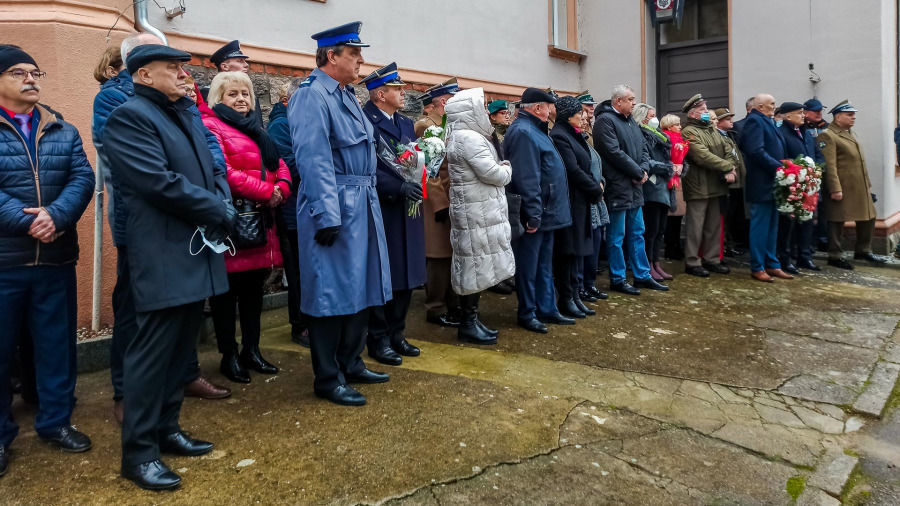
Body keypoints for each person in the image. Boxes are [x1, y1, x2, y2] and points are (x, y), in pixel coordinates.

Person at [103, 44, 234, 490]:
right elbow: (157, 182)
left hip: (194, 246)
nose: (184, 74)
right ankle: (138, 454)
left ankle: (167, 429)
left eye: (184, 67)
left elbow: (214, 167)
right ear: (143, 76)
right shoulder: (131, 116)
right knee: (151, 351)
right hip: (161, 249)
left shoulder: (185, 113)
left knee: (181, 347)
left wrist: (222, 201)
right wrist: (217, 209)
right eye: (173, 68)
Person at [0, 44, 95, 478]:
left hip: (55, 258)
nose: (31, 79)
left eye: (35, 72)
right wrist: (28, 224)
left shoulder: (62, 128)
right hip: (6, 261)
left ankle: (55, 422)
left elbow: (82, 176)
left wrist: (55, 216)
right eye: (19, 72)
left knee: (57, 347)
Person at [288, 22, 392, 407]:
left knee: (361, 287)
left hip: (361, 202)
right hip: (337, 206)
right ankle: (327, 377)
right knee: (330, 294)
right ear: (331, 56)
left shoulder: (345, 94)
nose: (361, 60)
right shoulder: (312, 97)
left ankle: (351, 362)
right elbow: (313, 160)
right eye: (354, 53)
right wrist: (326, 215)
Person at [203, 71, 291, 383]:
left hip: (261, 223)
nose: (241, 99)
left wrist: (281, 185)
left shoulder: (258, 129)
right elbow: (223, 171)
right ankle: (229, 354)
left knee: (254, 292)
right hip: (233, 223)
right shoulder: (211, 125)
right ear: (218, 98)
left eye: (245, 94)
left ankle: (252, 350)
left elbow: (278, 163)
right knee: (226, 295)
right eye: (233, 94)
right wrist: (268, 192)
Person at [359, 62, 425, 364]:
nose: (403, 93)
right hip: (384, 207)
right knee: (387, 274)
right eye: (397, 89)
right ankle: (379, 338)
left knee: (408, 273)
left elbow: (413, 160)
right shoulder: (365, 120)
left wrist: (421, 176)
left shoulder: (406, 123)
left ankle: (398, 333)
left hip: (409, 208)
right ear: (379, 95)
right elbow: (366, 164)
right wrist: (396, 188)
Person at [445, 87, 514, 344]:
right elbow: (495, 174)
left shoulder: (461, 136)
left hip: (476, 211)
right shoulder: (469, 139)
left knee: (475, 265)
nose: (486, 112)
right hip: (476, 213)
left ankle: (471, 320)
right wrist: (506, 167)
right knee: (473, 267)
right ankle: (468, 323)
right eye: (481, 107)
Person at [505, 88, 572, 333]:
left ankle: (547, 308)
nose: (552, 110)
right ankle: (528, 312)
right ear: (537, 108)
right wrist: (532, 213)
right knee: (529, 265)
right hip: (536, 211)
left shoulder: (534, 129)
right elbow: (527, 177)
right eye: (549, 105)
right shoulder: (524, 132)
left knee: (543, 263)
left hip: (546, 210)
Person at [594, 85, 669, 295]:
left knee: (638, 232)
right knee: (617, 236)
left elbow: (644, 149)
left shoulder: (631, 122)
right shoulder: (605, 121)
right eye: (631, 99)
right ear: (618, 101)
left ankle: (642, 275)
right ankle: (617, 278)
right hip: (619, 187)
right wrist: (638, 172)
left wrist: (643, 169)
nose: (634, 103)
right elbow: (613, 152)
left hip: (635, 187)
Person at [550, 96, 604, 317]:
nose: (582, 117)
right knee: (568, 252)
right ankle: (566, 297)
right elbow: (573, 170)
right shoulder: (560, 136)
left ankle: (574, 295)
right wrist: (595, 188)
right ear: (568, 115)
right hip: (572, 200)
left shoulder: (574, 134)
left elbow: (586, 164)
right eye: (578, 113)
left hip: (581, 199)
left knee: (576, 252)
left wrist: (596, 184)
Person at [818, 100, 885, 269]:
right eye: (849, 115)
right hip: (842, 187)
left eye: (853, 115)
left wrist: (867, 183)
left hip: (859, 186)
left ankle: (863, 250)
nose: (853, 117)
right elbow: (829, 165)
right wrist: (835, 189)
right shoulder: (827, 135)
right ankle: (835, 254)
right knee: (837, 220)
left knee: (869, 216)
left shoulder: (851, 133)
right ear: (838, 117)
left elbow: (860, 161)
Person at [417, 77, 460, 328]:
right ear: (444, 101)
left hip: (454, 198)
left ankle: (453, 303)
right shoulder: (426, 126)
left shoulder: (449, 124)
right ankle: (435, 307)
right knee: (438, 256)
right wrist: (440, 203)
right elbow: (428, 171)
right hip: (437, 201)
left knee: (453, 254)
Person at [268, 78, 308, 346]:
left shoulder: (300, 121)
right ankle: (299, 326)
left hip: (305, 209)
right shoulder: (281, 125)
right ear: (287, 101)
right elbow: (289, 165)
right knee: (296, 273)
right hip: (292, 211)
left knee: (308, 271)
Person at [680, 94, 737, 277]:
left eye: (706, 109)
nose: (707, 112)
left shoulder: (712, 130)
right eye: (703, 110)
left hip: (715, 184)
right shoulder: (688, 131)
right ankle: (692, 261)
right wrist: (728, 167)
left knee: (714, 225)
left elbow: (728, 149)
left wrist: (731, 166)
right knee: (695, 226)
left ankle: (712, 259)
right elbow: (701, 156)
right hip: (698, 186)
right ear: (693, 114)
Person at [738, 93, 793, 282]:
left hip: (774, 182)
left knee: (772, 226)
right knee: (760, 227)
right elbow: (756, 151)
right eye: (771, 104)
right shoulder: (755, 121)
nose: (774, 107)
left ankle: (772, 263)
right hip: (762, 182)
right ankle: (757, 266)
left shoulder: (768, 121)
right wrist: (778, 167)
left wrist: (785, 165)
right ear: (760, 107)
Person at [776, 102, 823, 273]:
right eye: (799, 113)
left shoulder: (806, 132)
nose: (803, 116)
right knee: (789, 224)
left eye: (803, 113)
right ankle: (786, 258)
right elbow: (781, 158)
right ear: (788, 116)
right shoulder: (781, 133)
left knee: (807, 221)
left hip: (809, 184)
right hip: (792, 185)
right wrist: (796, 172)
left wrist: (816, 169)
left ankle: (804, 256)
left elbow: (817, 154)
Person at [633, 103, 674, 281]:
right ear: (642, 118)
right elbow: (647, 161)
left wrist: (677, 166)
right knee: (651, 229)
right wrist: (669, 167)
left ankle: (656, 262)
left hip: (663, 187)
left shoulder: (662, 137)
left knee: (660, 230)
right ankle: (648, 263)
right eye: (651, 116)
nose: (654, 119)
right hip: (651, 187)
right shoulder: (641, 135)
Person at [579, 104, 610, 302]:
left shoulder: (586, 141)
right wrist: (594, 185)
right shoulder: (574, 142)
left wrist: (601, 182)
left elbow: (598, 168)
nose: (585, 122)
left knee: (596, 242)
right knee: (586, 246)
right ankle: (582, 285)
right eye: (581, 118)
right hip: (586, 199)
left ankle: (590, 284)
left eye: (586, 119)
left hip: (596, 198)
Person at [715, 107, 749, 257]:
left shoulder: (730, 136)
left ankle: (730, 244)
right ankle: (725, 245)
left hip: (737, 183)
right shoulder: (719, 137)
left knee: (734, 215)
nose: (732, 122)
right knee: (726, 216)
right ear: (719, 122)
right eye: (728, 119)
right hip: (729, 184)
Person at [661, 114, 687, 261]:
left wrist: (682, 167)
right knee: (671, 217)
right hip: (669, 181)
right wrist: (673, 167)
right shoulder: (665, 139)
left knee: (678, 216)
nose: (680, 126)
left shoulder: (679, 140)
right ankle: (670, 247)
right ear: (669, 126)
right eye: (677, 124)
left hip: (678, 179)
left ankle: (676, 245)